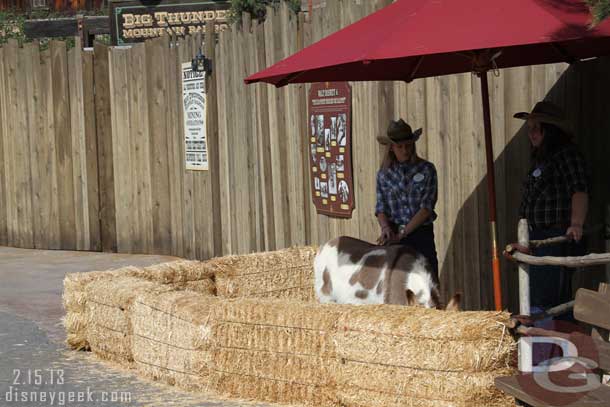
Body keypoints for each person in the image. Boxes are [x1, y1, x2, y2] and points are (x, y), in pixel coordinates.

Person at [514, 101, 589, 318]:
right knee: (535, 297)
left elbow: (579, 190)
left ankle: (559, 347)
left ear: (552, 131)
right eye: (530, 129)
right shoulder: (540, 160)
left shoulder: (567, 155)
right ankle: (543, 347)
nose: (532, 134)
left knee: (552, 299)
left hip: (555, 236)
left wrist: (576, 224)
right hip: (535, 238)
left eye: (537, 128)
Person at [375, 119, 439, 283]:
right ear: (392, 148)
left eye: (408, 145)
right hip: (394, 233)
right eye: (400, 147)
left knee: (428, 281)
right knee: (395, 284)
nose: (405, 150)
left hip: (420, 234)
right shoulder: (384, 174)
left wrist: (403, 233)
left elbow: (426, 208)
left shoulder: (427, 170)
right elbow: (381, 207)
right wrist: (385, 228)